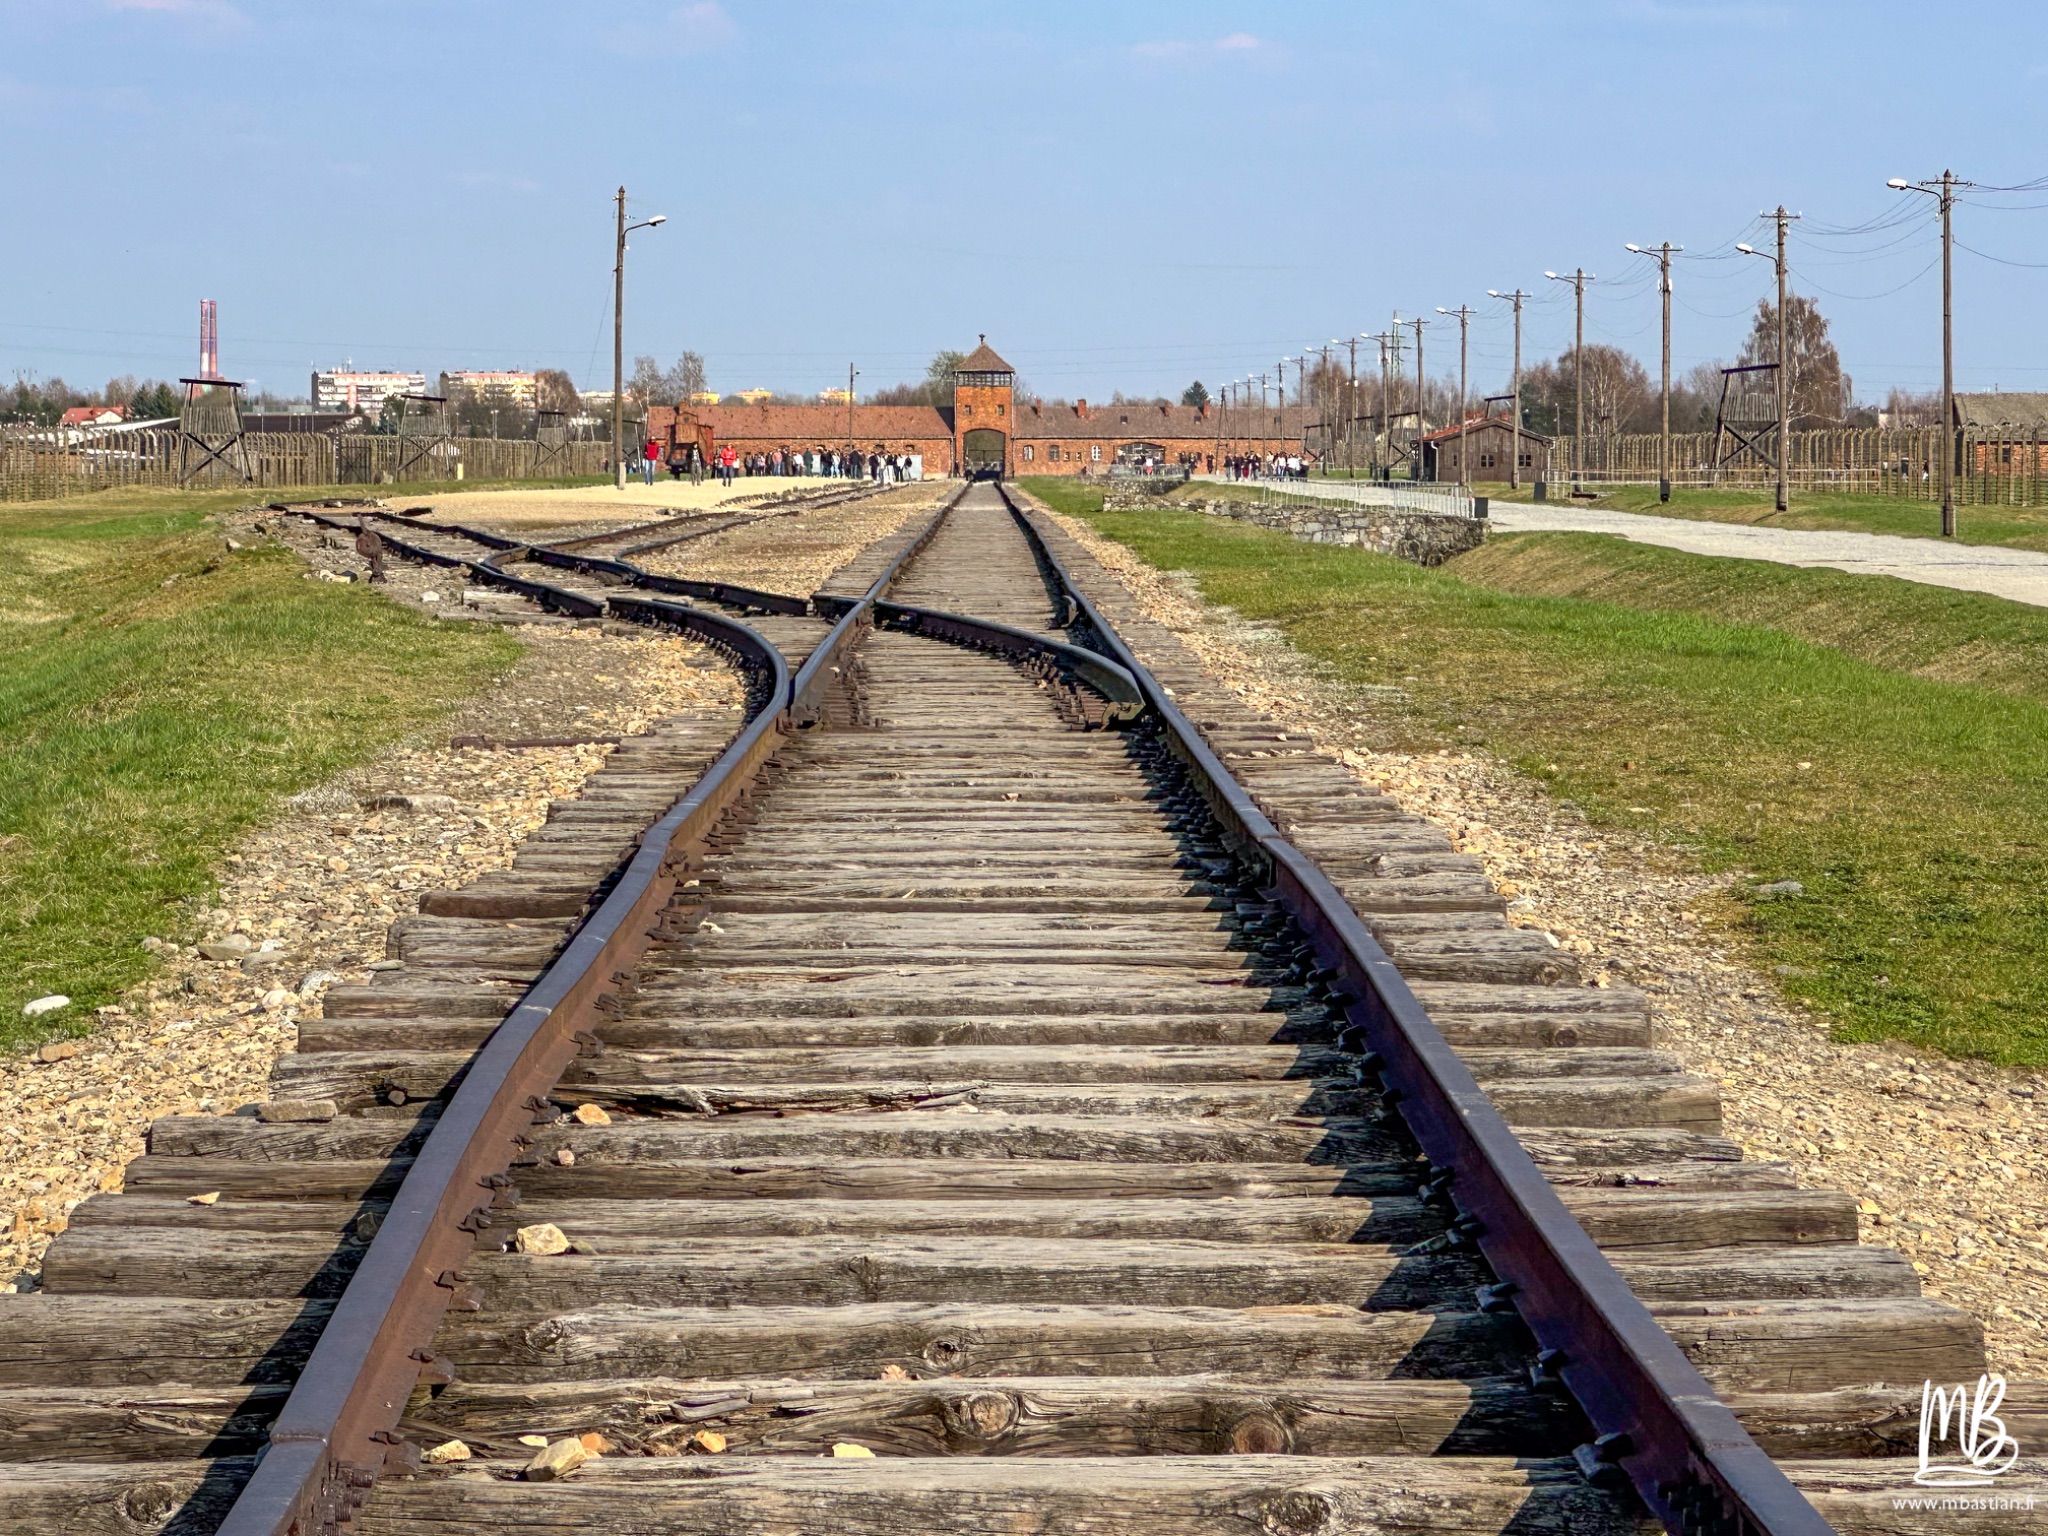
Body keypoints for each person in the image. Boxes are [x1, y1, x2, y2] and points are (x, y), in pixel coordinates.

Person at [354, 518, 386, 583]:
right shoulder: (375, 551)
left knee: (377, 557)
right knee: (377, 557)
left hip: (374, 553)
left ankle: (377, 574)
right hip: (374, 553)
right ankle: (377, 574)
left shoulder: (375, 549)